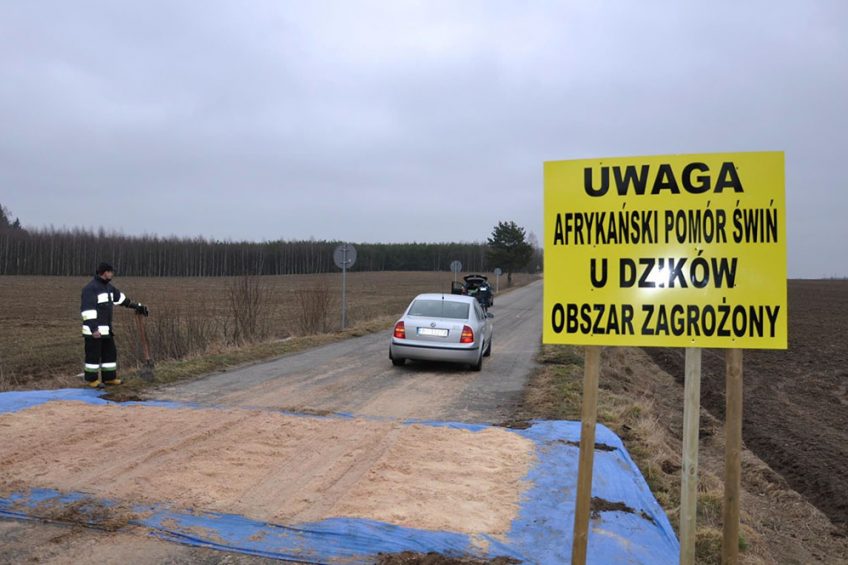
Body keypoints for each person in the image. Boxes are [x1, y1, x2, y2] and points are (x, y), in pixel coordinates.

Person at [80, 262, 149, 387]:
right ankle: (92, 380)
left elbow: (122, 300)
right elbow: (87, 311)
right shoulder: (90, 289)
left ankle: (109, 379)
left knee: (110, 355)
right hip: (93, 332)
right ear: (104, 272)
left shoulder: (109, 288)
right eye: (111, 271)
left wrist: (138, 306)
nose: (112, 274)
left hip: (106, 331)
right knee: (93, 357)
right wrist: (93, 329)